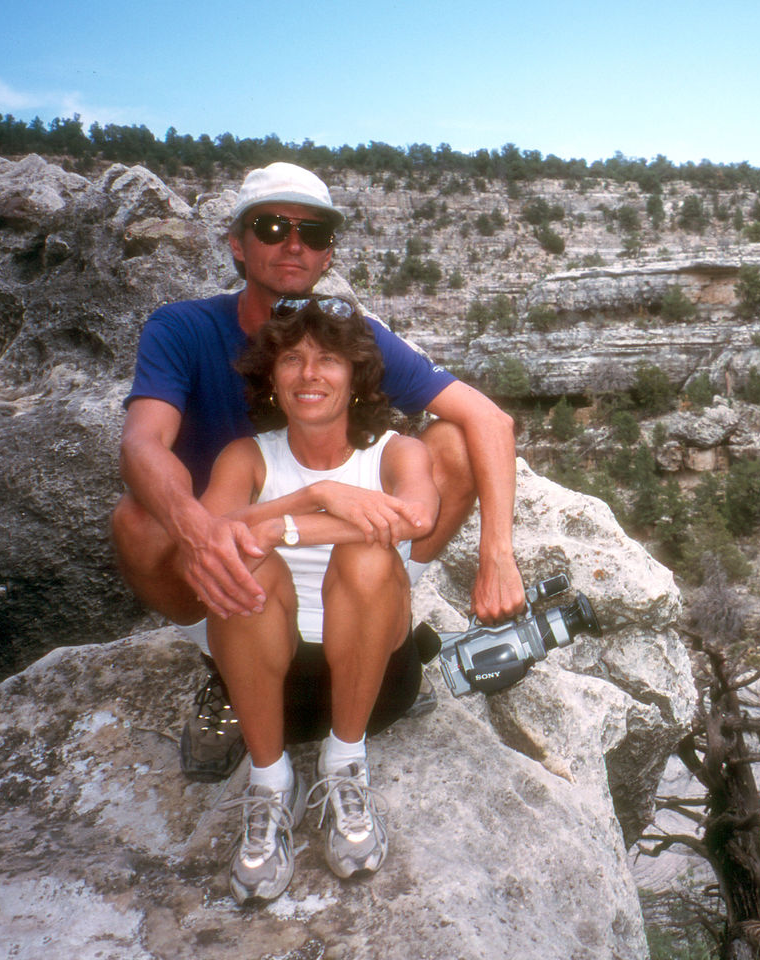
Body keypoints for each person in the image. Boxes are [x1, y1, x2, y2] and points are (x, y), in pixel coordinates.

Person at [111, 162, 526, 779]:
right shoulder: (184, 328)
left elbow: (490, 421)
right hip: (232, 548)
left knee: (457, 445)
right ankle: (225, 670)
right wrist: (201, 533)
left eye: (315, 231)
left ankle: (387, 615)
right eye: (273, 226)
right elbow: (143, 445)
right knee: (137, 523)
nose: (294, 244)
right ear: (237, 243)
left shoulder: (354, 334)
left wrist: (497, 554)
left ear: (329, 252)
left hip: (355, 543)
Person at [200, 294, 433, 899]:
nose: (309, 374)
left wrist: (281, 526)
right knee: (240, 555)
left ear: (355, 375)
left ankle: (344, 766)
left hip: (372, 682)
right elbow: (209, 538)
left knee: (367, 554)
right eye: (292, 359)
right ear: (270, 377)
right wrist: (310, 498)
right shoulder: (246, 457)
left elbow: (417, 518)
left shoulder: (395, 451)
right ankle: (271, 783)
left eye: (328, 358)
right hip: (269, 692)